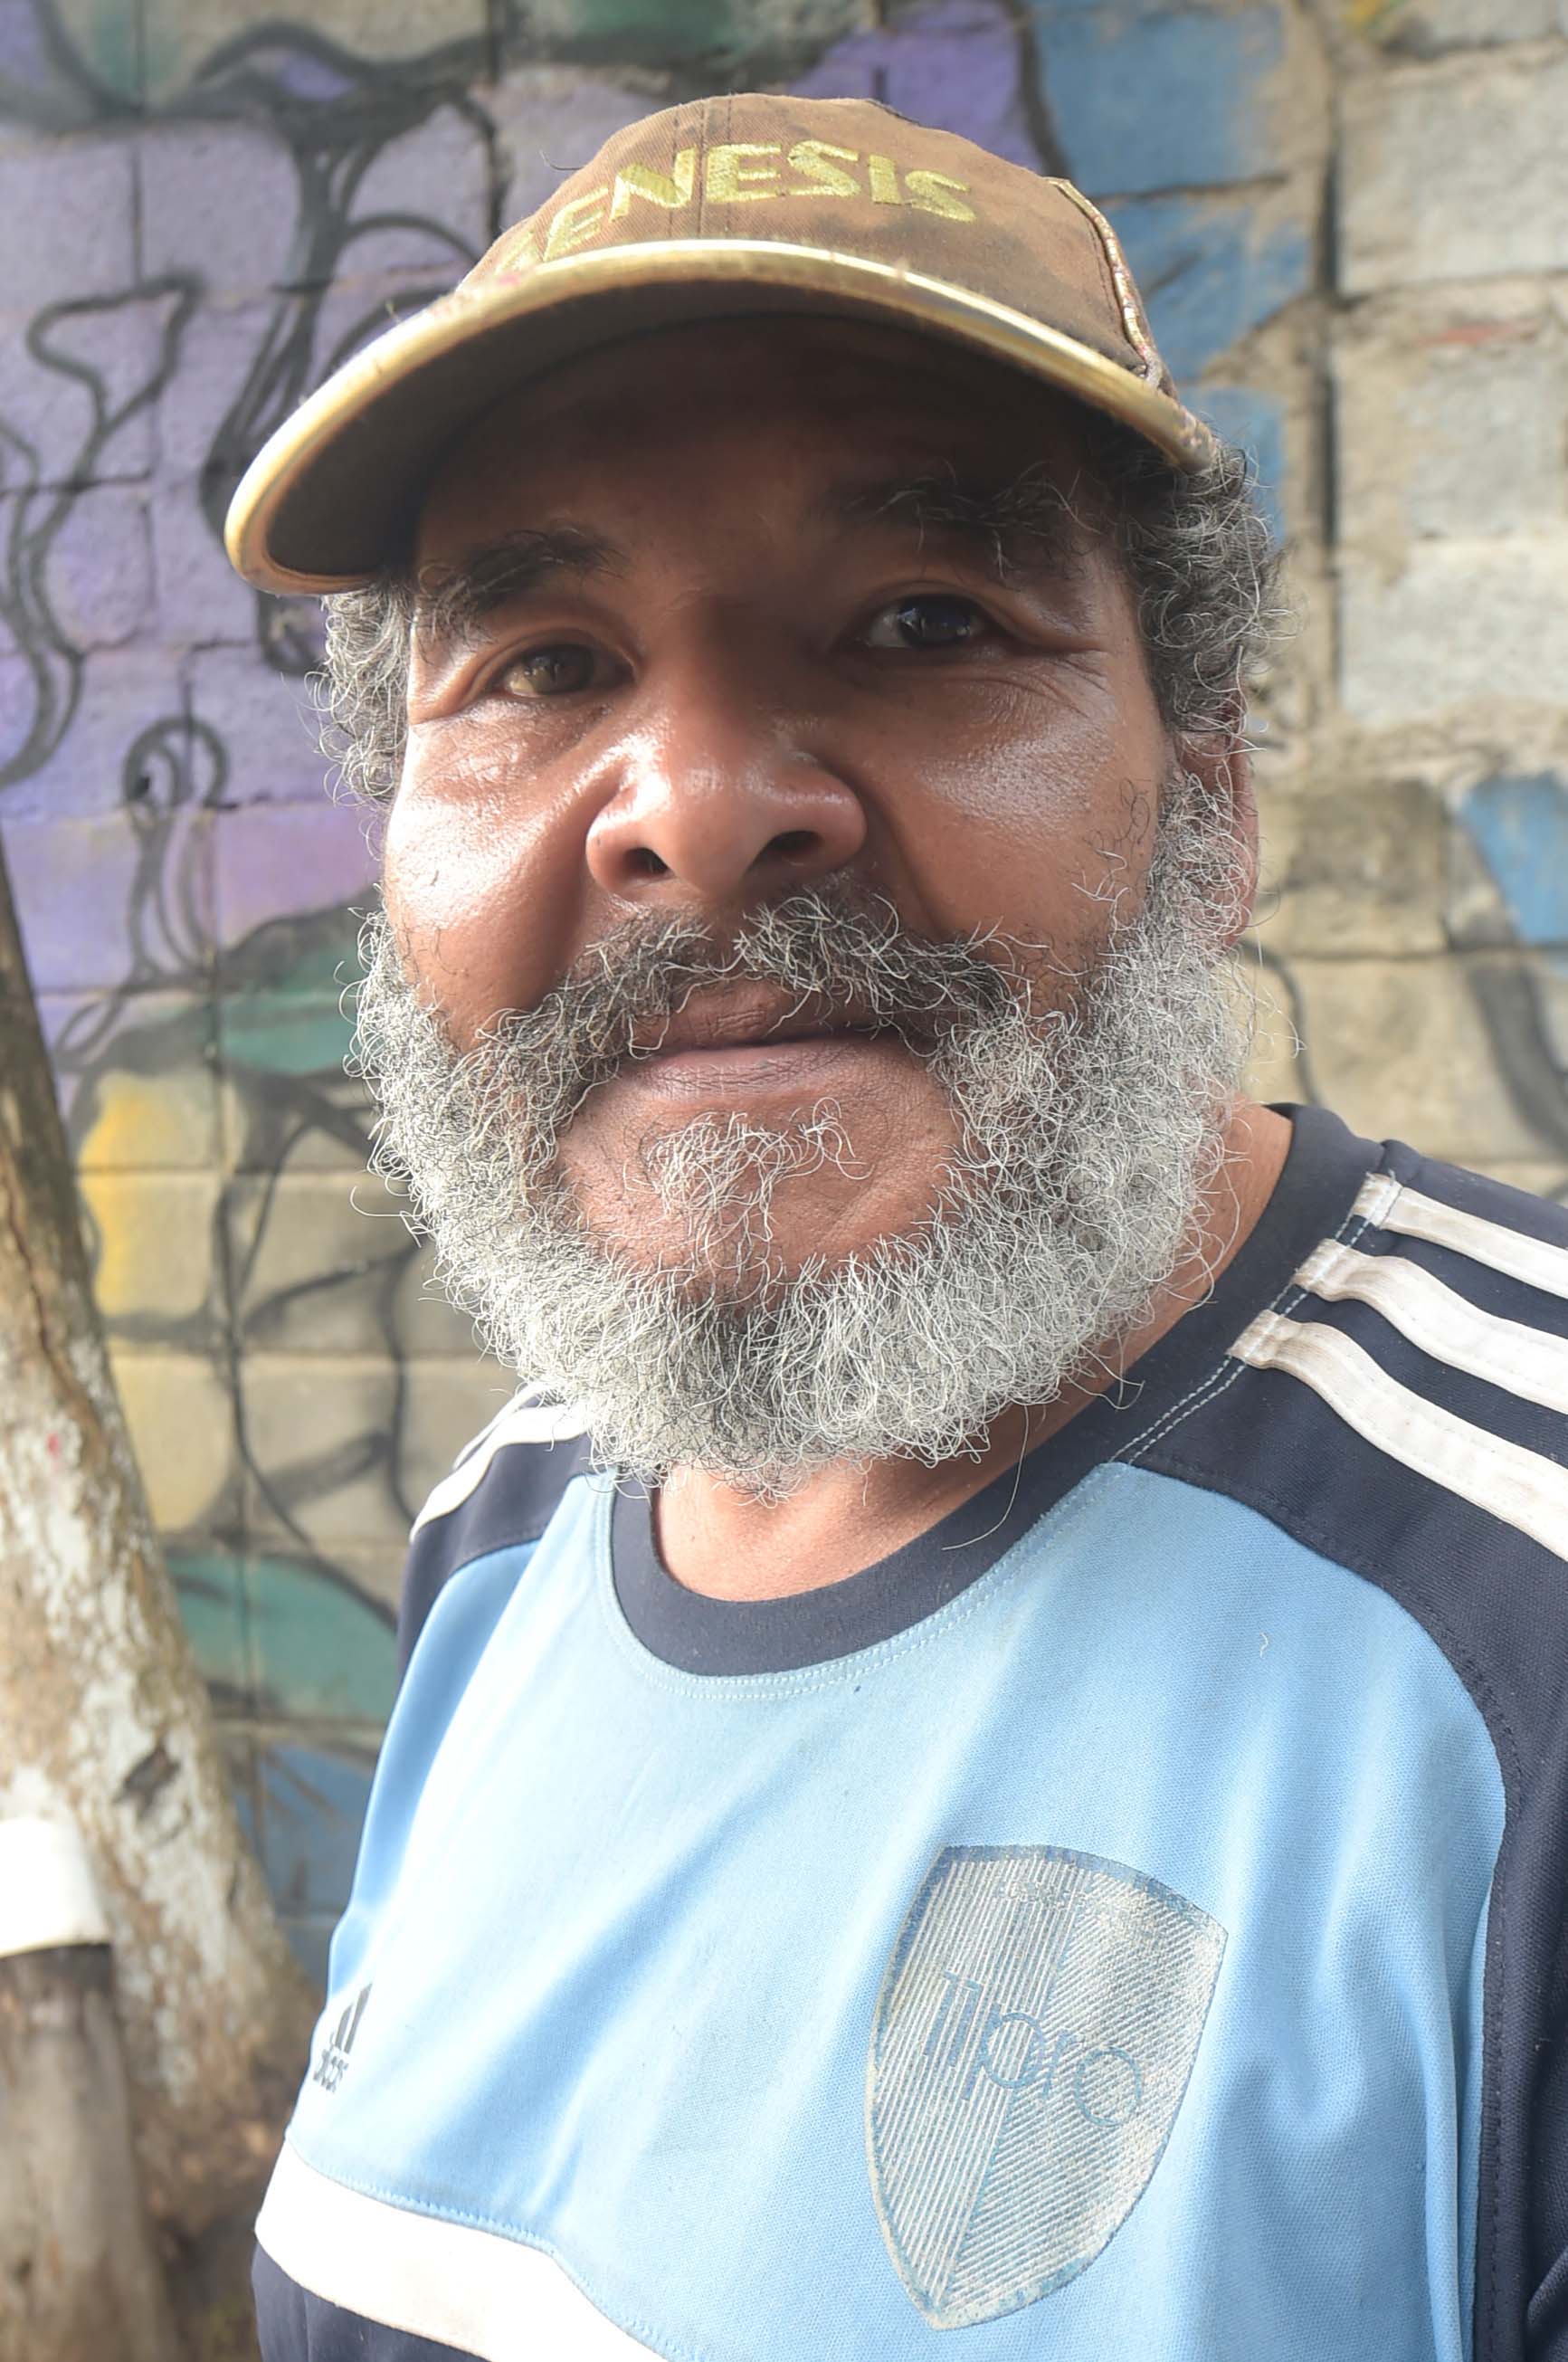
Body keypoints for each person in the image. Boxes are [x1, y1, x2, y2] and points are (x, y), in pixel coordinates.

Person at [224, 92, 1568, 2362]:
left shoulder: (1524, 1629)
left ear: (1208, 811)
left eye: (926, 620)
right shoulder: (506, 1532)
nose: (695, 809)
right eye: (541, 665)